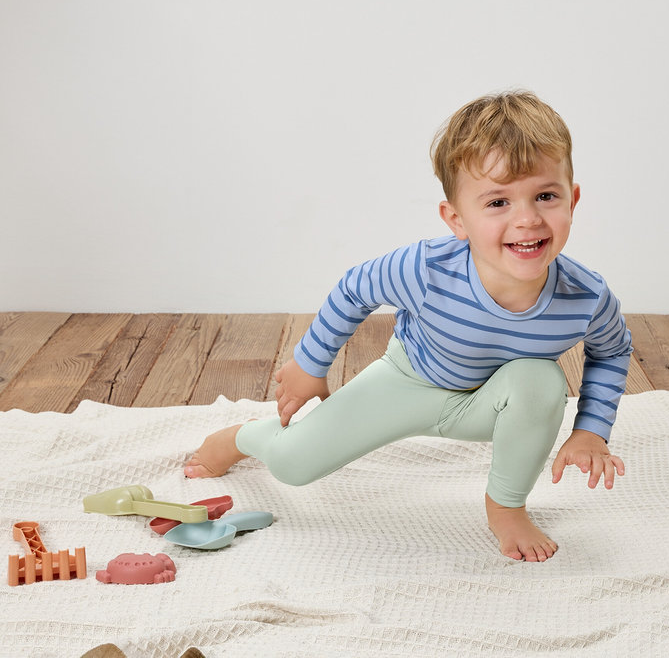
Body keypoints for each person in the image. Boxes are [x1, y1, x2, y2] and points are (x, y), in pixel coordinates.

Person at [184, 91, 632, 562]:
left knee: (542, 380)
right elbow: (356, 288)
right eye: (498, 202)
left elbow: (612, 350)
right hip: (407, 380)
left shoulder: (586, 296)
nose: (527, 219)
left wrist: (591, 431)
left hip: (491, 406)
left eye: (545, 195)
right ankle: (239, 438)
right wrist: (310, 364)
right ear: (456, 219)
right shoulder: (426, 268)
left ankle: (506, 507)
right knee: (293, 464)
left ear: (573, 199)